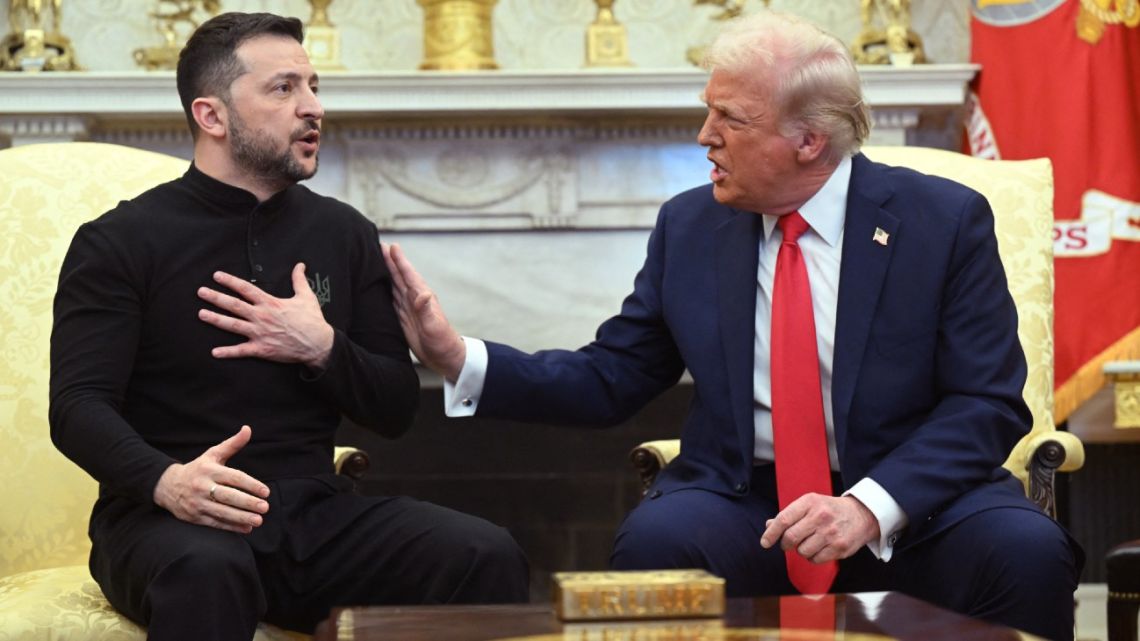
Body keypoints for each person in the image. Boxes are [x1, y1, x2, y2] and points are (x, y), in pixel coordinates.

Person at [383, 10, 1081, 641]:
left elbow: (986, 403)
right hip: (749, 499)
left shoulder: (943, 222)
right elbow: (611, 375)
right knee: (657, 545)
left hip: (916, 500)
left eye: (730, 119)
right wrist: (457, 356)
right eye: (706, 111)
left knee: (1025, 552)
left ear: (807, 140)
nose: (704, 137)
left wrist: (869, 506)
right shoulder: (691, 226)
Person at [49, 12, 528, 640]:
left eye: (314, 86)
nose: (313, 108)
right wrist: (167, 482)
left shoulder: (344, 234)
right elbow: (76, 406)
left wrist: (323, 348)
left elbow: (392, 409)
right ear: (212, 116)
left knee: (483, 553)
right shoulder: (119, 241)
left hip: (310, 516)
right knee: (207, 569)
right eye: (283, 89)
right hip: (165, 520)